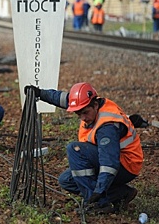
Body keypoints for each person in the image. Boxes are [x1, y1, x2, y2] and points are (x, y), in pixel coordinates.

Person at [24, 82, 143, 215]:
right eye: (78, 114)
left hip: (125, 165)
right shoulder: (89, 103)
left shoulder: (107, 127)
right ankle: (121, 194)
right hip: (112, 159)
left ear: (95, 105)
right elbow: (62, 98)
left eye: (85, 113)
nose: (83, 118)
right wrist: (40, 93)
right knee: (67, 180)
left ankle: (99, 204)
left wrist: (98, 190)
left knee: (75, 150)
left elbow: (109, 164)